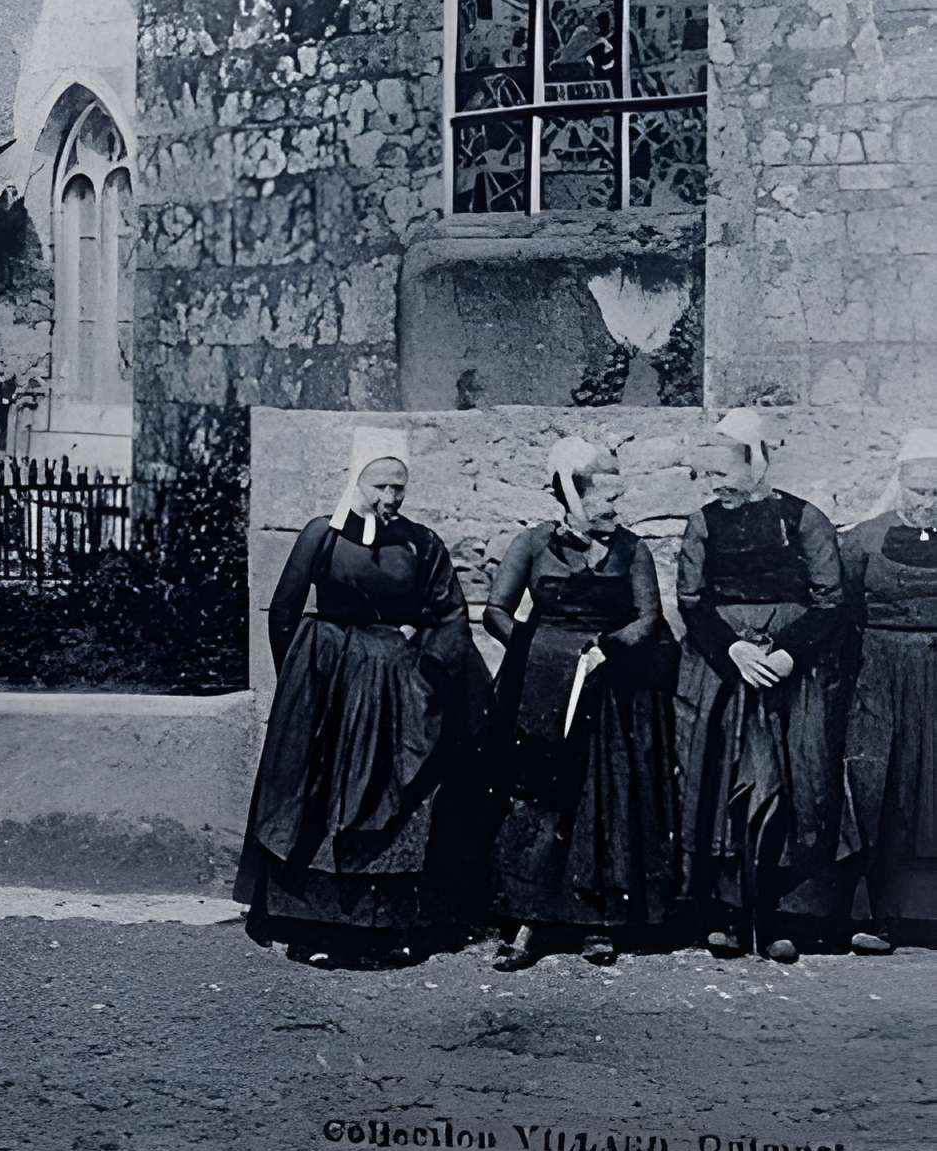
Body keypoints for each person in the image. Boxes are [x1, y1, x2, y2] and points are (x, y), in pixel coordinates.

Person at [233, 426, 490, 968]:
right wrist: (303, 682)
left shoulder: (421, 544)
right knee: (317, 803)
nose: (390, 498)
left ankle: (380, 930)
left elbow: (449, 618)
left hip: (395, 692)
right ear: (356, 481)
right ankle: (308, 925)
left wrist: (422, 677)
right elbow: (283, 612)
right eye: (379, 486)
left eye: (399, 487)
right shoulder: (321, 536)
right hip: (328, 687)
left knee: (388, 804)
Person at [482, 436, 679, 972]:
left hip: (610, 691)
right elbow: (496, 611)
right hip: (543, 689)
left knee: (604, 800)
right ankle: (526, 922)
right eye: (601, 501)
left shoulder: (631, 549)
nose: (612, 511)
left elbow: (648, 617)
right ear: (570, 494)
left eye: (617, 501)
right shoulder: (532, 544)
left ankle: (598, 921)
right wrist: (540, 653)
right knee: (540, 801)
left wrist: (606, 651)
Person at [675, 407, 848, 963]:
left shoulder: (804, 518)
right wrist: (733, 650)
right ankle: (726, 916)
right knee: (728, 781)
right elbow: (691, 602)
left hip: (791, 677)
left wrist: (790, 654)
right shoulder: (703, 522)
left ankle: (780, 918)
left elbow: (831, 601)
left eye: (727, 468)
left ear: (757, 461)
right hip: (726, 670)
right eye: (710, 472)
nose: (717, 481)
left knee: (797, 780)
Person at [838, 427, 937, 954]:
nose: (928, 502)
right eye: (920, 490)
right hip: (878, 677)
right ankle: (880, 915)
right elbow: (843, 610)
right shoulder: (864, 539)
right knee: (883, 786)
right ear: (900, 484)